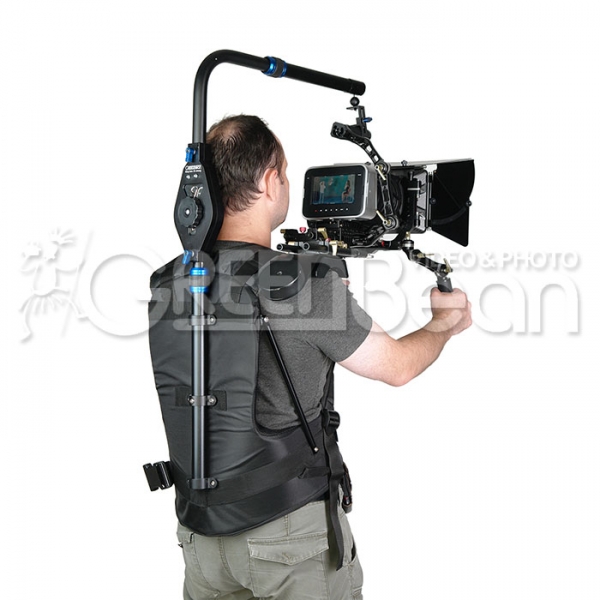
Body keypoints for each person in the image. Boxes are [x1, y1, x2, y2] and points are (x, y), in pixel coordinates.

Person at [154, 115, 472, 600]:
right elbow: (398, 367)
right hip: (288, 536)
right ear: (269, 182)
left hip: (199, 537)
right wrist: (443, 324)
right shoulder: (303, 285)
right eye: (284, 173)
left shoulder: (171, 282)